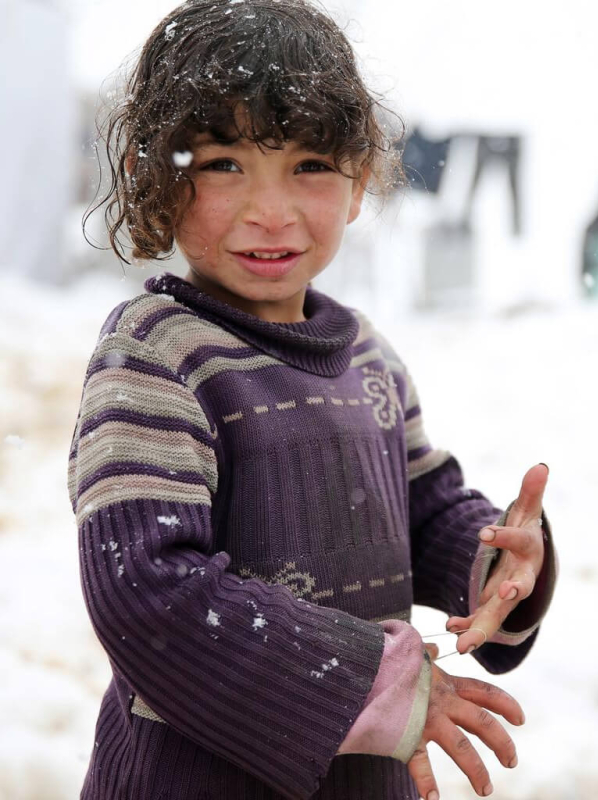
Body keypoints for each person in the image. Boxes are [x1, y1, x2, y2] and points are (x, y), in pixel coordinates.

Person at [69, 1, 558, 798]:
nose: (272, 210)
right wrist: (374, 681)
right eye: (224, 163)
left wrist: (500, 563)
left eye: (311, 167)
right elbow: (146, 592)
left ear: (361, 180)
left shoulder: (366, 355)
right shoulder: (158, 354)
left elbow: (423, 512)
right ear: (157, 176)